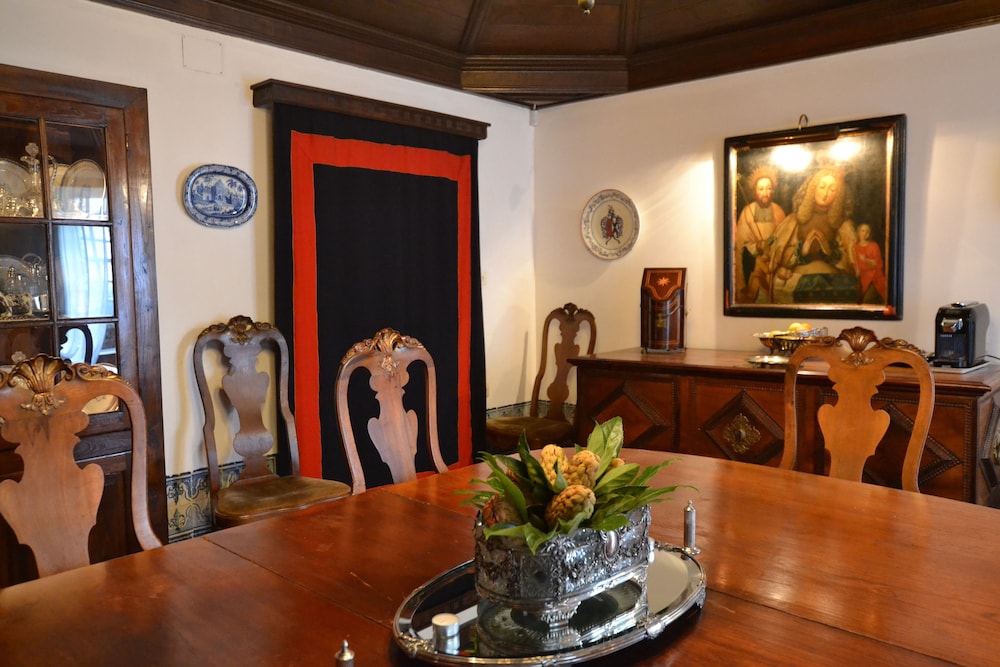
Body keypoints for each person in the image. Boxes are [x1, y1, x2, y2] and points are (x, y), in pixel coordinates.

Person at [766, 166, 857, 302]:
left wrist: (830, 251)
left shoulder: (842, 226)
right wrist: (802, 250)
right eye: (822, 187)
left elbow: (851, 262)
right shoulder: (793, 221)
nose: (825, 194)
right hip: (799, 279)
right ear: (813, 188)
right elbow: (780, 255)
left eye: (832, 190)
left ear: (838, 195)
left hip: (833, 281)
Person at [734, 167, 785, 303]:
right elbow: (740, 245)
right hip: (753, 266)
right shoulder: (747, 212)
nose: (765, 193)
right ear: (754, 191)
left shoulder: (778, 211)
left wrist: (770, 247)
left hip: (773, 265)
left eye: (768, 188)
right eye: (761, 189)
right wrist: (756, 246)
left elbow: (784, 239)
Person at [853, 223, 887, 302]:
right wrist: (856, 269)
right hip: (863, 278)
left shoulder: (873, 246)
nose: (865, 233)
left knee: (867, 300)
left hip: (875, 278)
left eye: (867, 231)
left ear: (869, 234)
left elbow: (877, 263)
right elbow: (855, 263)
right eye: (863, 231)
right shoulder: (856, 247)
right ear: (858, 232)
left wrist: (865, 260)